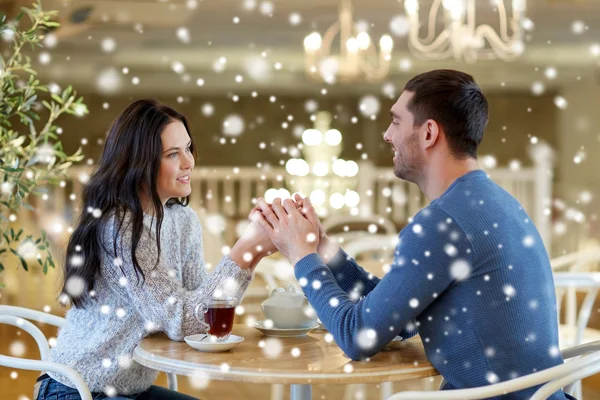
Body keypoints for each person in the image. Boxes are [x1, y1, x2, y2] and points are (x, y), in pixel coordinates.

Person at [255, 69, 573, 399]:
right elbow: (399, 317)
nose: (387, 135)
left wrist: (300, 256)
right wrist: (322, 247)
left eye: (395, 121)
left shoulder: (441, 223)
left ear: (428, 133)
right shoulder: (498, 202)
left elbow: (356, 336)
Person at [35, 99, 275, 400]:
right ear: (139, 163)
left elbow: (198, 318)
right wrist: (246, 251)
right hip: (77, 389)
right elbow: (183, 320)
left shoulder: (184, 221)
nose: (188, 162)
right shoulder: (120, 227)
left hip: (130, 390)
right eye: (173, 154)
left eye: (188, 148)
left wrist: (251, 253)